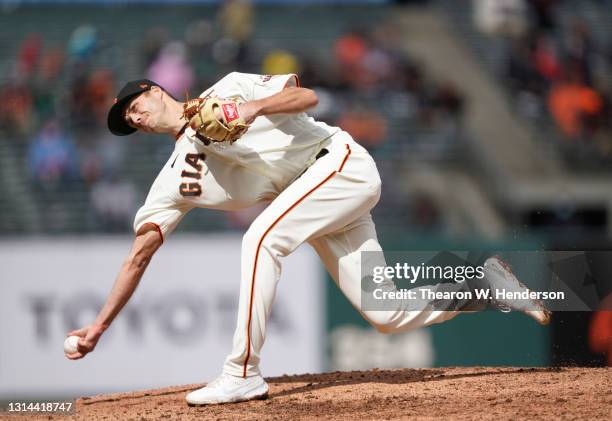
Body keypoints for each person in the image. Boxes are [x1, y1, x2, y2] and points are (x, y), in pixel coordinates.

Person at [65, 72, 551, 405]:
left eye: (134, 105)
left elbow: (306, 97)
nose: (134, 117)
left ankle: (241, 373)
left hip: (338, 163)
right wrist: (100, 326)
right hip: (319, 200)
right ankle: (485, 286)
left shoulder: (229, 88)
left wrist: (252, 107)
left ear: (153, 90)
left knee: (260, 240)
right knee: (386, 313)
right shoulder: (175, 180)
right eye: (127, 120)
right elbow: (138, 256)